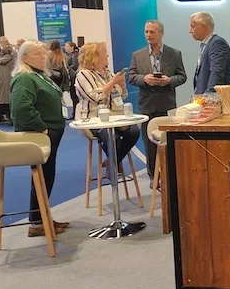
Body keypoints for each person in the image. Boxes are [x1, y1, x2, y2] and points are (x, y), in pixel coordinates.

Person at [9, 41, 69, 237]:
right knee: (42, 176)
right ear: (24, 57)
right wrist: (41, 127)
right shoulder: (25, 78)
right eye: (37, 54)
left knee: (46, 176)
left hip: (52, 132)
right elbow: (21, 108)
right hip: (42, 135)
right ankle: (36, 221)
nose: (43, 57)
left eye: (44, 54)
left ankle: (41, 217)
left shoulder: (40, 75)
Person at [127, 20, 186, 179]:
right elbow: (131, 77)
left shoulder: (174, 54)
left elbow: (182, 76)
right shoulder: (137, 55)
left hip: (167, 104)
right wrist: (144, 79)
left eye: (152, 32)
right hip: (147, 105)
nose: (148, 35)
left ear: (161, 33)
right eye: (146, 32)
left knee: (168, 142)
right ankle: (154, 177)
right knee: (149, 144)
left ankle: (170, 176)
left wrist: (169, 81)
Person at [75, 42, 140, 178]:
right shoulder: (83, 75)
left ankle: (112, 161)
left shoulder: (108, 73)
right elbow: (95, 97)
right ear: (94, 57)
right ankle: (114, 164)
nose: (107, 55)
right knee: (112, 138)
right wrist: (113, 83)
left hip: (115, 116)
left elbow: (122, 96)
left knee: (134, 131)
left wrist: (121, 85)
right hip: (93, 119)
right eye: (104, 53)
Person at [189, 12, 230, 94]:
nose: (190, 31)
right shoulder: (207, 45)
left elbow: (216, 73)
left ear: (203, 27)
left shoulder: (217, 43)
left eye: (192, 26)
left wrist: (208, 96)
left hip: (212, 101)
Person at [0, 42, 16, 124]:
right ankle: (12, 118)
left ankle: (1, 117)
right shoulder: (14, 61)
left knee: (1, 102)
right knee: (11, 101)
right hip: (12, 83)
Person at [65, 42, 80, 113]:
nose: (65, 48)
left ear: (72, 47)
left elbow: (75, 65)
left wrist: (66, 68)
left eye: (67, 46)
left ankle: (75, 113)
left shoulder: (74, 55)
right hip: (73, 77)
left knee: (74, 96)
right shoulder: (72, 55)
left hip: (74, 77)